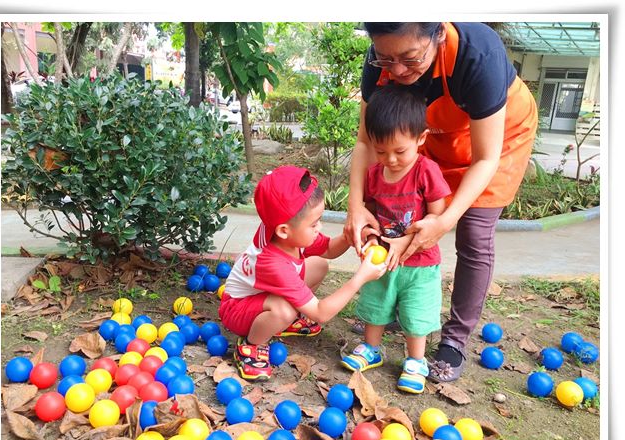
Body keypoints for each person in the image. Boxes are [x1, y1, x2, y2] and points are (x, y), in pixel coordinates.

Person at [344, 22, 538, 383]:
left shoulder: (477, 55)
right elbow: (365, 142)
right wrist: (357, 205)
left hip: (496, 142)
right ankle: (392, 308)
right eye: (386, 58)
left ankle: (454, 340)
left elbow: (484, 158)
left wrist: (444, 221)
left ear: (437, 35)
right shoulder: (382, 62)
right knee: (403, 216)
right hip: (432, 137)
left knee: (474, 233)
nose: (397, 70)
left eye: (409, 58)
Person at [219, 165, 387, 381]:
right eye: (314, 223)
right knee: (284, 310)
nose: (320, 227)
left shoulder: (288, 233)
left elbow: (327, 249)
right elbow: (320, 313)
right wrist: (360, 279)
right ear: (283, 231)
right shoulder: (273, 262)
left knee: (319, 265)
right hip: (236, 310)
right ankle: (252, 344)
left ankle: (285, 321)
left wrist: (349, 237)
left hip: (259, 296)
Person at [340, 85, 451, 394]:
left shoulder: (426, 171)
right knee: (376, 304)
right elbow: (371, 213)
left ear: (421, 138)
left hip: (419, 263)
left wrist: (418, 231)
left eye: (400, 151)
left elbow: (437, 215)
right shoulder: (374, 175)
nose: (390, 159)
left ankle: (416, 360)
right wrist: (370, 234)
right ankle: (372, 349)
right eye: (380, 151)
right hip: (384, 261)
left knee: (416, 313)